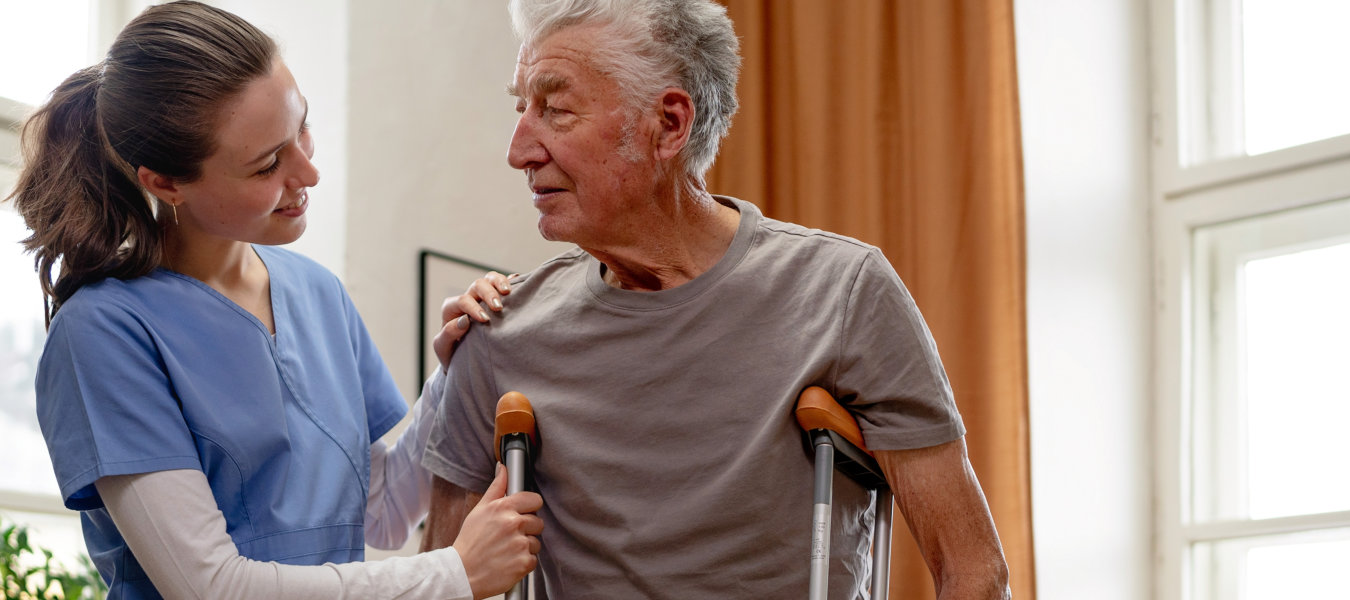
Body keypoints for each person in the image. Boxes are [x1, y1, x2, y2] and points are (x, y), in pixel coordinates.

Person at [419, 0, 1012, 598]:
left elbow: (973, 570)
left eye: (556, 109)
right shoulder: (496, 328)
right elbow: (437, 579)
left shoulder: (845, 292)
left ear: (670, 125)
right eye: (522, 108)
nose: (519, 150)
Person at [17, 3, 541, 599]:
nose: (309, 172)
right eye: (269, 163)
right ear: (166, 183)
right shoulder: (104, 333)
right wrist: (455, 573)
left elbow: (383, 513)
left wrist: (458, 370)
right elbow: (210, 586)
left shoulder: (318, 295)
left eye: (302, 129)